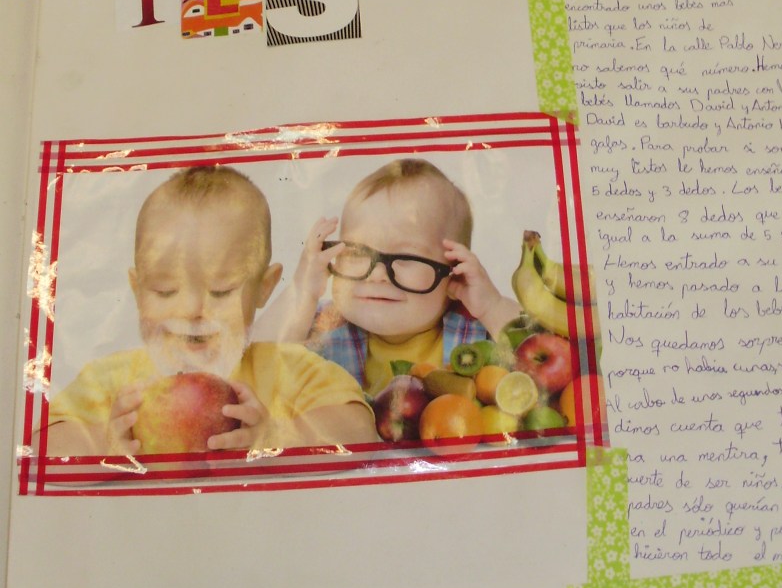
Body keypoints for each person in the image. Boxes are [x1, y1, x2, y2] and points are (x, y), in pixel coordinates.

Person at [41, 166, 377, 456]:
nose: (191, 310)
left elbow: (359, 431)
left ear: (264, 287)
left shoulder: (288, 368)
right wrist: (106, 442)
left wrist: (275, 437)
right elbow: (42, 447)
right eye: (164, 291)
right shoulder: (111, 380)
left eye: (221, 291)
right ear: (137, 290)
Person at [254, 158, 521, 395]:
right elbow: (252, 364)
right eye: (357, 252)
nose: (377, 274)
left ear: (454, 273)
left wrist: (492, 306)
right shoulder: (321, 326)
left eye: (405, 257)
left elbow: (539, 351)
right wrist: (301, 292)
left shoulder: (477, 333)